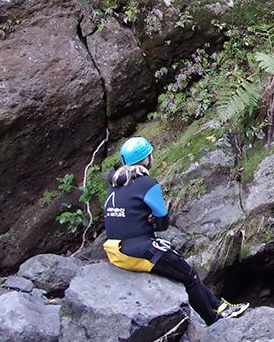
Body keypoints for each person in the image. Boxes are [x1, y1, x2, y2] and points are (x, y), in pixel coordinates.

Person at [103, 137, 249, 325]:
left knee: (180, 269)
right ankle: (215, 322)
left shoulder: (114, 186)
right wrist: (153, 222)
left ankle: (220, 306)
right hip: (139, 249)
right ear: (147, 158)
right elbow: (163, 222)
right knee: (190, 276)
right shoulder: (147, 183)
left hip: (115, 251)